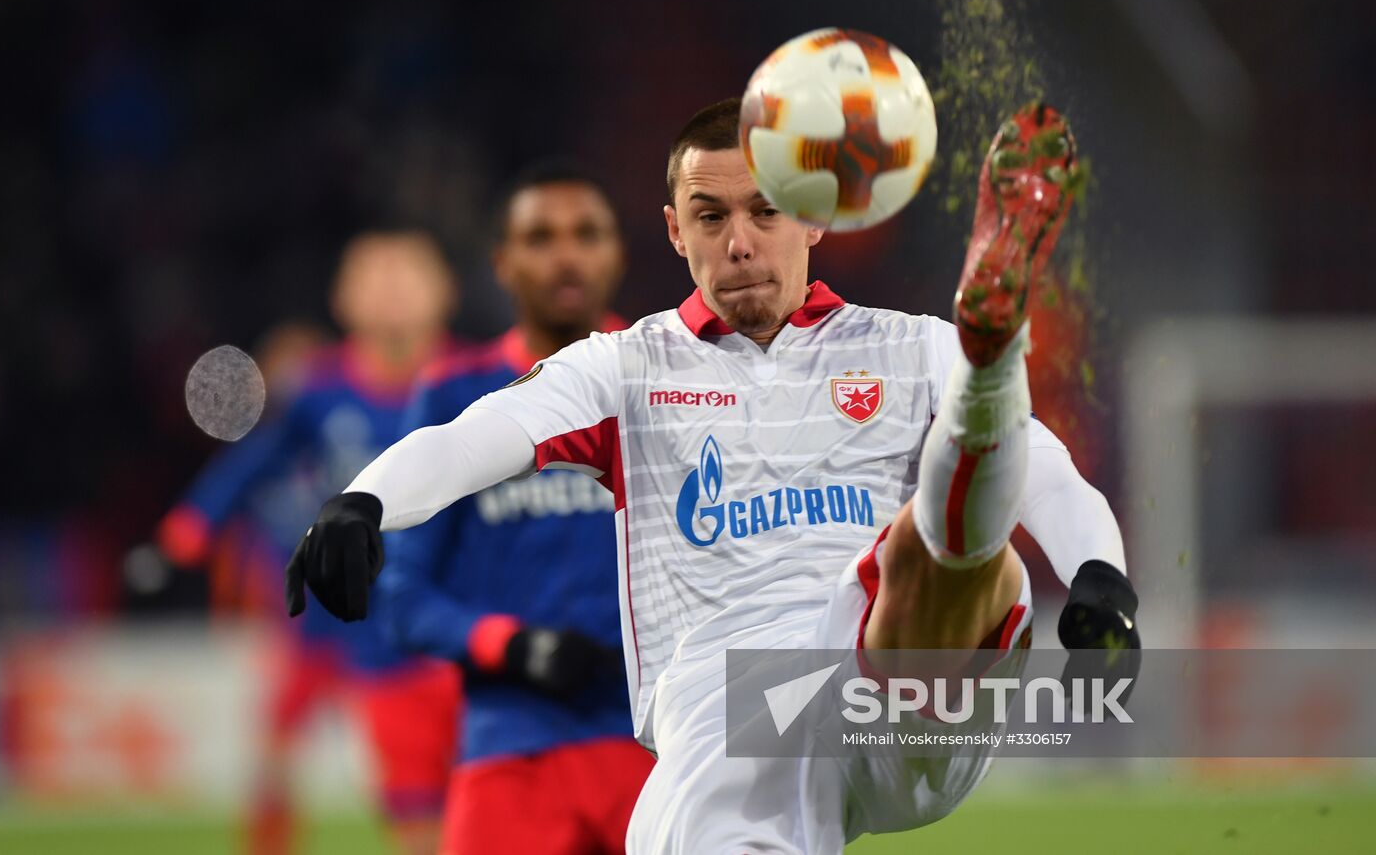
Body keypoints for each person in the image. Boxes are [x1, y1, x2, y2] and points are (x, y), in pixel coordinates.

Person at [287, 99, 1140, 853]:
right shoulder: (625, 366)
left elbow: (1045, 470)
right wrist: (365, 498)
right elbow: (481, 432)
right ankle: (991, 362)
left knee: (948, 546)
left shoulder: (905, 345)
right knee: (946, 534)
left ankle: (990, 355)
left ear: (815, 218)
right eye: (710, 215)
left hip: (889, 679)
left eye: (767, 210)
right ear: (673, 229)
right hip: (734, 703)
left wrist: (1101, 577)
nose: (738, 241)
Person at [373, 162, 654, 854]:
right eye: (540, 236)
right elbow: (402, 598)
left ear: (618, 252)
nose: (565, 254)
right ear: (502, 261)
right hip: (510, 744)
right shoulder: (452, 400)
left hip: (660, 747)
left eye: (586, 234)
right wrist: (512, 645)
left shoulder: (676, 378)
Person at [158, 230, 464, 855]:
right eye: (373, 276)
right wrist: (196, 521)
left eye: (406, 273)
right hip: (368, 633)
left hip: (469, 622)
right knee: (412, 810)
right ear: (342, 299)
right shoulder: (318, 392)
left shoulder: (484, 381)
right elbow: (254, 462)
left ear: (445, 291)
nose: (391, 290)